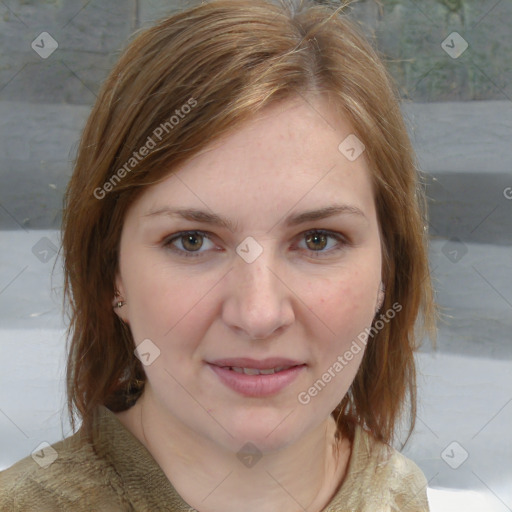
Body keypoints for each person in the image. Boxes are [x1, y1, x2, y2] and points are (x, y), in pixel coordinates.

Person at [0, 0, 436, 510]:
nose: (258, 315)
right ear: (112, 273)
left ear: (388, 270)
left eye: (317, 239)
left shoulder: (400, 492)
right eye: (192, 240)